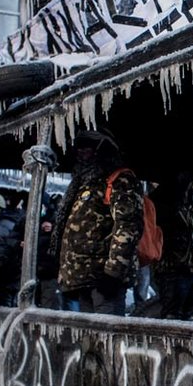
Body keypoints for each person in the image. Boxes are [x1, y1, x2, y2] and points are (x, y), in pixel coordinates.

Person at [54, 129, 143, 315]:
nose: (81, 152)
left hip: (104, 277)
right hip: (82, 277)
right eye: (79, 147)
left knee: (107, 329)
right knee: (88, 330)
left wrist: (113, 272)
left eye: (88, 147)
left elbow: (127, 226)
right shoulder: (83, 183)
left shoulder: (120, 179)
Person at [150, 172, 193, 319]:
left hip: (189, 265)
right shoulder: (164, 198)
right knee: (172, 315)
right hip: (172, 266)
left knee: (186, 313)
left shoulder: (188, 197)